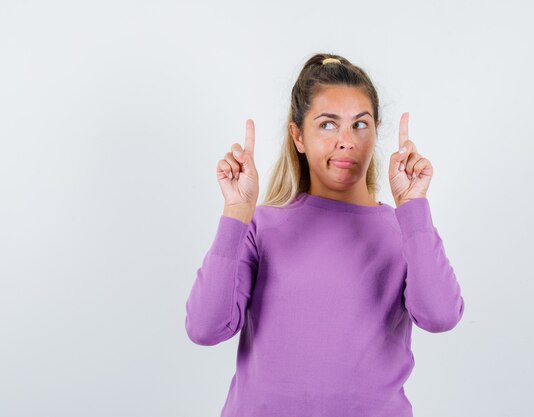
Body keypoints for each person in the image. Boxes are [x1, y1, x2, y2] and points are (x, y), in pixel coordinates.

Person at [185, 53, 465, 417]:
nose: (346, 141)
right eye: (328, 125)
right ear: (298, 135)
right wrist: (236, 212)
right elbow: (206, 328)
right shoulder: (261, 226)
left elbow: (440, 316)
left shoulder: (405, 230)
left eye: (360, 125)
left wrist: (413, 206)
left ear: (376, 132)